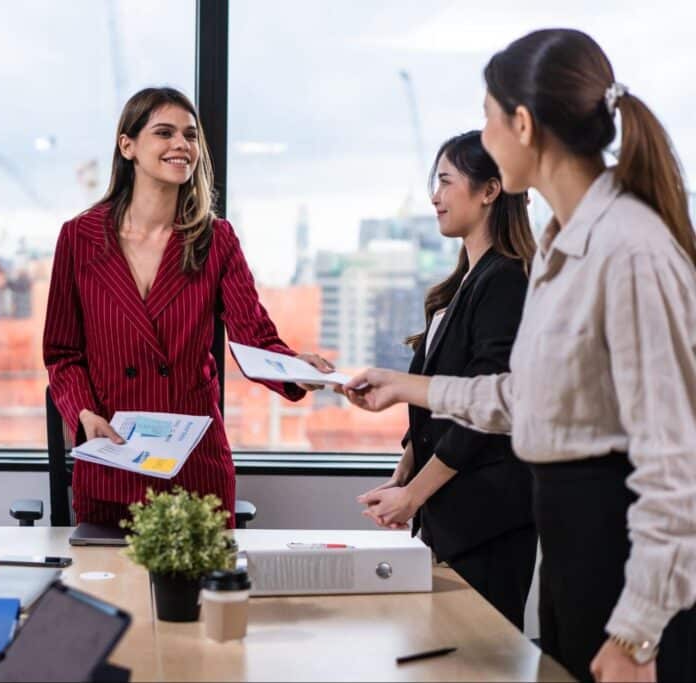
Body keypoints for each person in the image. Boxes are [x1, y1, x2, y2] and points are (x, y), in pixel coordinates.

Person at [342, 29, 696, 683]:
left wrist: (638, 633)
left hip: (622, 568)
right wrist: (405, 387)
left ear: (524, 125)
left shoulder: (629, 247)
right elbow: (524, 396)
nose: (484, 132)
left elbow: (675, 467)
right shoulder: (566, 242)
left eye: (488, 116)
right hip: (572, 552)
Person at [43, 87, 331, 527]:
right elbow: (63, 353)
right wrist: (84, 413)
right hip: (113, 457)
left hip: (194, 464)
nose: (182, 145)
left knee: (200, 596)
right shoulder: (79, 238)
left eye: (190, 135)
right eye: (164, 133)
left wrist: (296, 367)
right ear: (128, 146)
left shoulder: (217, 239)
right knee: (109, 592)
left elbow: (254, 336)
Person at [356, 131, 537, 630]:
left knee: (478, 657)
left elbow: (482, 412)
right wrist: (403, 477)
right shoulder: (461, 284)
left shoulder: (506, 279)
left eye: (445, 181)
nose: (435, 196)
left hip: (489, 520)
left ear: (489, 191)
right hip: (454, 518)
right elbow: (438, 404)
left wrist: (413, 496)